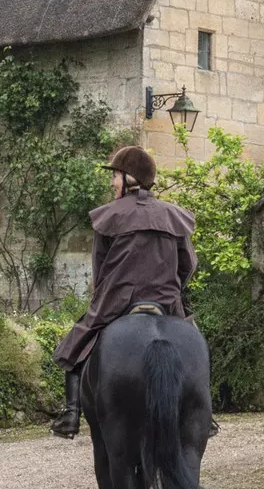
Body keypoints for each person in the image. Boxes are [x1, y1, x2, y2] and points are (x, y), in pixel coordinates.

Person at [50, 145, 197, 438]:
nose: (111, 182)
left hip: (117, 300)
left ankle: (71, 413)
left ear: (130, 178)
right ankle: (203, 414)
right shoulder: (172, 216)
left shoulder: (109, 217)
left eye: (115, 175)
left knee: (77, 345)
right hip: (166, 302)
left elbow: (99, 268)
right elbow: (188, 265)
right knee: (194, 347)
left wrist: (106, 293)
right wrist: (170, 289)